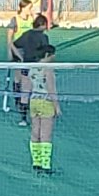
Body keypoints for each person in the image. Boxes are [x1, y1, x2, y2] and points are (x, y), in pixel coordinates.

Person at [26, 43, 61, 175]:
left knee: (35, 132)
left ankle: (36, 162)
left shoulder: (33, 68)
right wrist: (57, 106)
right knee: (45, 134)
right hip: (46, 101)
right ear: (47, 55)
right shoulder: (48, 69)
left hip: (33, 101)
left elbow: (29, 86)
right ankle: (46, 165)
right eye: (53, 54)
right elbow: (51, 88)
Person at [7, 0, 36, 124]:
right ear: (23, 8)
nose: (31, 10)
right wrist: (12, 53)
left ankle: (24, 100)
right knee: (18, 77)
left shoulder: (32, 19)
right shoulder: (15, 20)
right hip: (18, 50)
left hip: (29, 52)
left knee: (28, 77)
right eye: (29, 8)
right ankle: (18, 100)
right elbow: (9, 39)